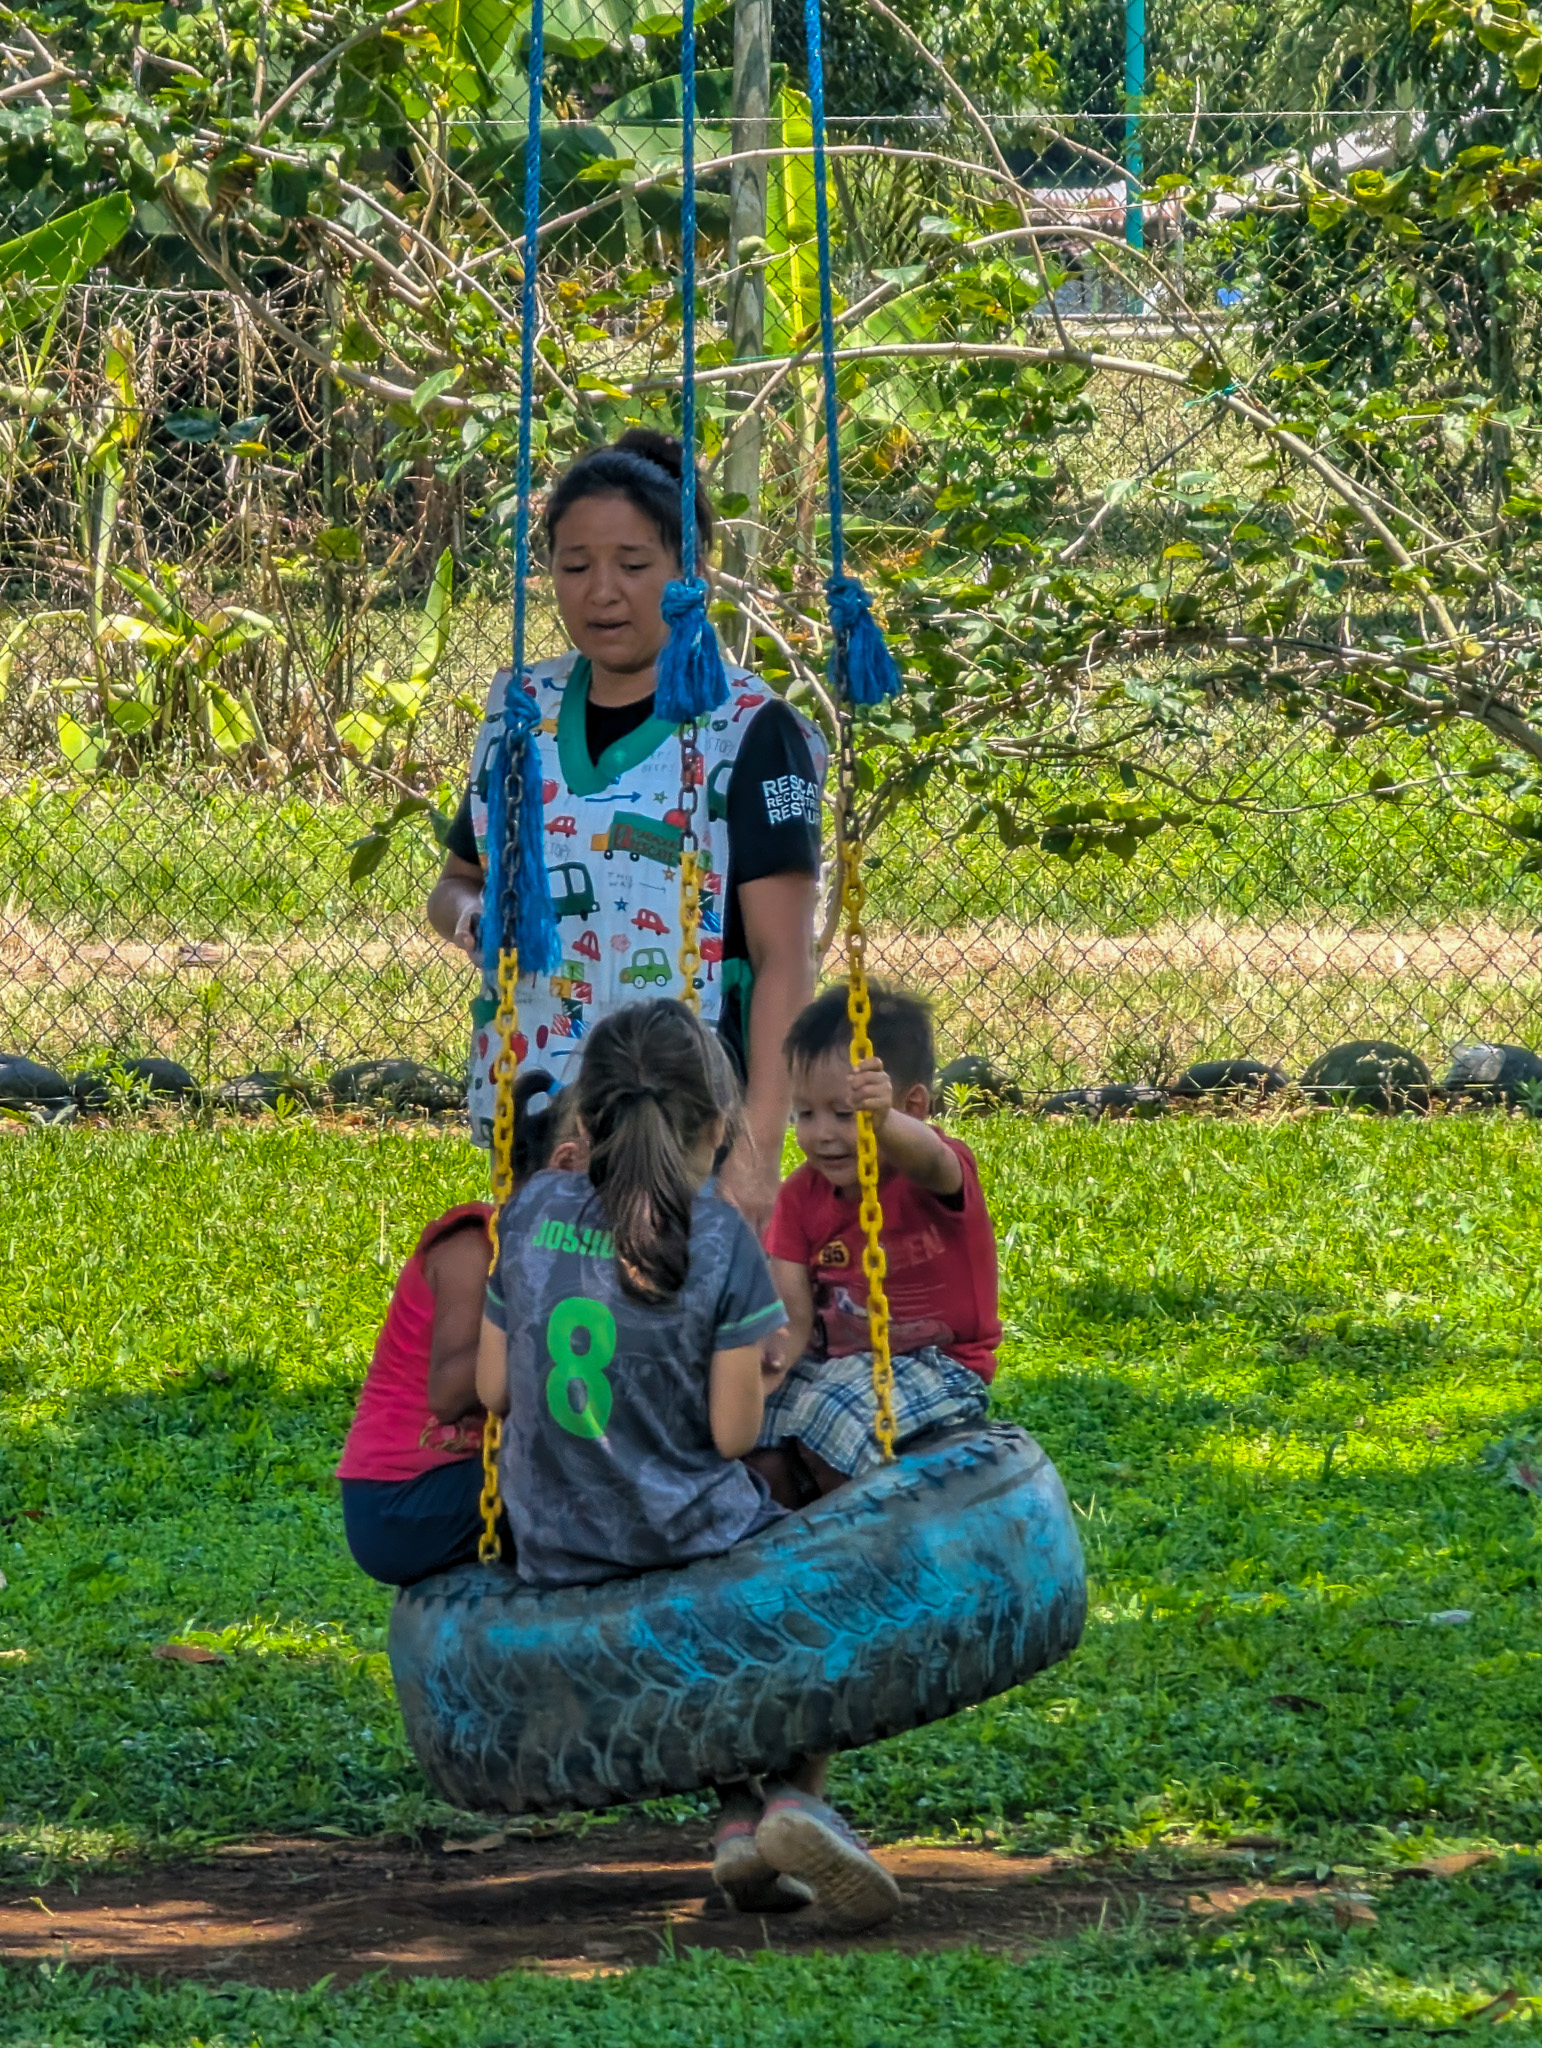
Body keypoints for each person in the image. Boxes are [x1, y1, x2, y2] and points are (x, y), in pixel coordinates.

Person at [475, 999, 901, 1932]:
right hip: (682, 1533)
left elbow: (495, 1386)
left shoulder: (534, 1206)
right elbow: (732, 1437)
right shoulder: (720, 1243)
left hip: (557, 1545)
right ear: (717, 1125)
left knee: (705, 1633)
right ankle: (795, 1797)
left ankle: (738, 1823)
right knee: (826, 1589)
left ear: (585, 1122)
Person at [427, 428, 826, 1233]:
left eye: (634, 566)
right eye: (575, 567)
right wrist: (472, 918)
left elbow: (786, 957)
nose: (602, 592)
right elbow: (456, 882)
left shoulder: (750, 731)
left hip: (688, 1122)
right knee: (554, 1330)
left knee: (673, 1337)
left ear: (690, 574)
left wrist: (757, 1158)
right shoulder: (520, 712)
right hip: (540, 1102)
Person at [749, 984, 999, 1506]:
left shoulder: (936, 1171)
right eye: (805, 1114)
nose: (821, 1135)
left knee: (829, 1410)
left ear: (911, 1106)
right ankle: (783, 1532)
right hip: (833, 1365)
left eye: (844, 1114)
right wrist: (759, 1371)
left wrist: (884, 1124)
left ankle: (877, 1538)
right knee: (752, 1417)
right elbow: (793, 1317)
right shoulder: (801, 1196)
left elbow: (931, 1158)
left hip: (940, 1366)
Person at [336, 1071, 577, 1586]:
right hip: (398, 1502)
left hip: (453, 1481)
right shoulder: (473, 1248)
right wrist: (544, 1314)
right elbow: (448, 1394)